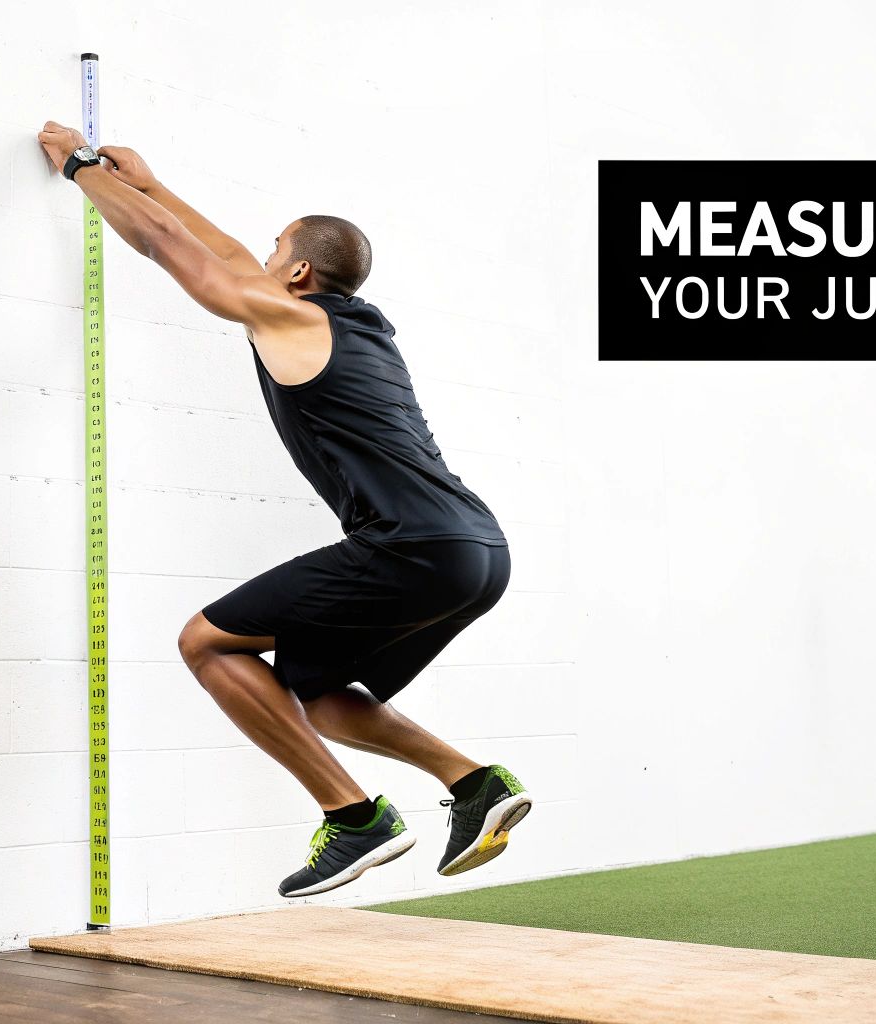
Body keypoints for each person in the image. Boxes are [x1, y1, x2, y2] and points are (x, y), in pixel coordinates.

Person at [38, 121, 533, 898]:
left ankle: (356, 819)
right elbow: (230, 255)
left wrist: (80, 168)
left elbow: (169, 247)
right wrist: (152, 183)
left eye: (277, 249)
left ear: (299, 272)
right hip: (477, 551)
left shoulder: (293, 319)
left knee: (206, 643)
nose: (260, 258)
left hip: (411, 546)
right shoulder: (350, 326)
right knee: (323, 698)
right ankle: (474, 783)